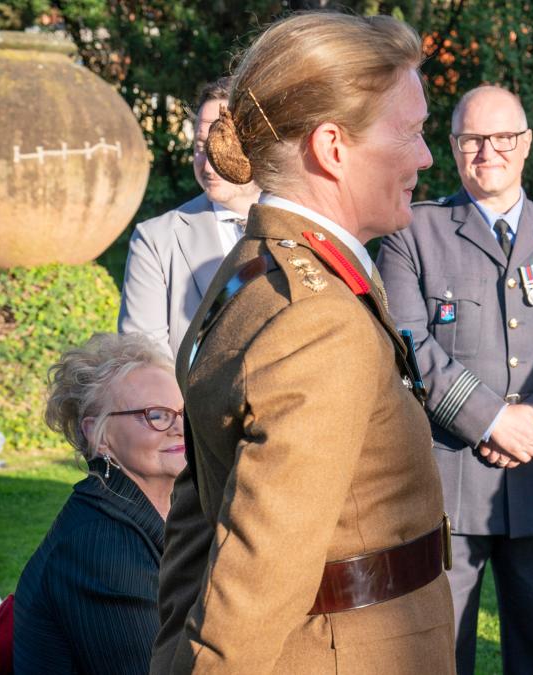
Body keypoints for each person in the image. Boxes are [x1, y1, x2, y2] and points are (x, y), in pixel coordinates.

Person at [151, 13, 454, 674]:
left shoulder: (256, 271)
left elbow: (196, 528)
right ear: (332, 147)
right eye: (410, 131)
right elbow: (252, 589)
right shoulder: (319, 318)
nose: (427, 156)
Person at [377, 84, 533, 675]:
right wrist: (490, 419)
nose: (488, 151)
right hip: (449, 484)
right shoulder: (412, 232)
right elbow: (407, 344)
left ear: (527, 142)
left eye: (503, 137)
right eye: (472, 139)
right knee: (440, 654)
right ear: (452, 146)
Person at [13, 332, 184, 675]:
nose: (179, 427)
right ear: (98, 435)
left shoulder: (176, 510)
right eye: (156, 415)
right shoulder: (99, 546)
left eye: (183, 412)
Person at [118, 77, 262, 359]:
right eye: (199, 147)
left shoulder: (304, 226)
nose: (207, 165)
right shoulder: (156, 241)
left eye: (222, 145)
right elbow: (144, 361)